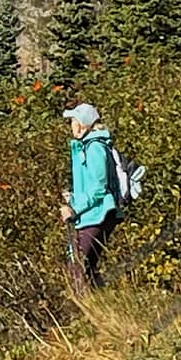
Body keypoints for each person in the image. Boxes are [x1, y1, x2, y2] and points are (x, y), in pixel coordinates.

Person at [59, 102, 117, 293]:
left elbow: (99, 189)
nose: (71, 125)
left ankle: (86, 309)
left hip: (97, 215)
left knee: (78, 266)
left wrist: (74, 208)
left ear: (83, 124)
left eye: (73, 121)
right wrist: (73, 198)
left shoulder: (94, 149)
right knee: (85, 267)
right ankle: (102, 305)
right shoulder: (87, 147)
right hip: (92, 214)